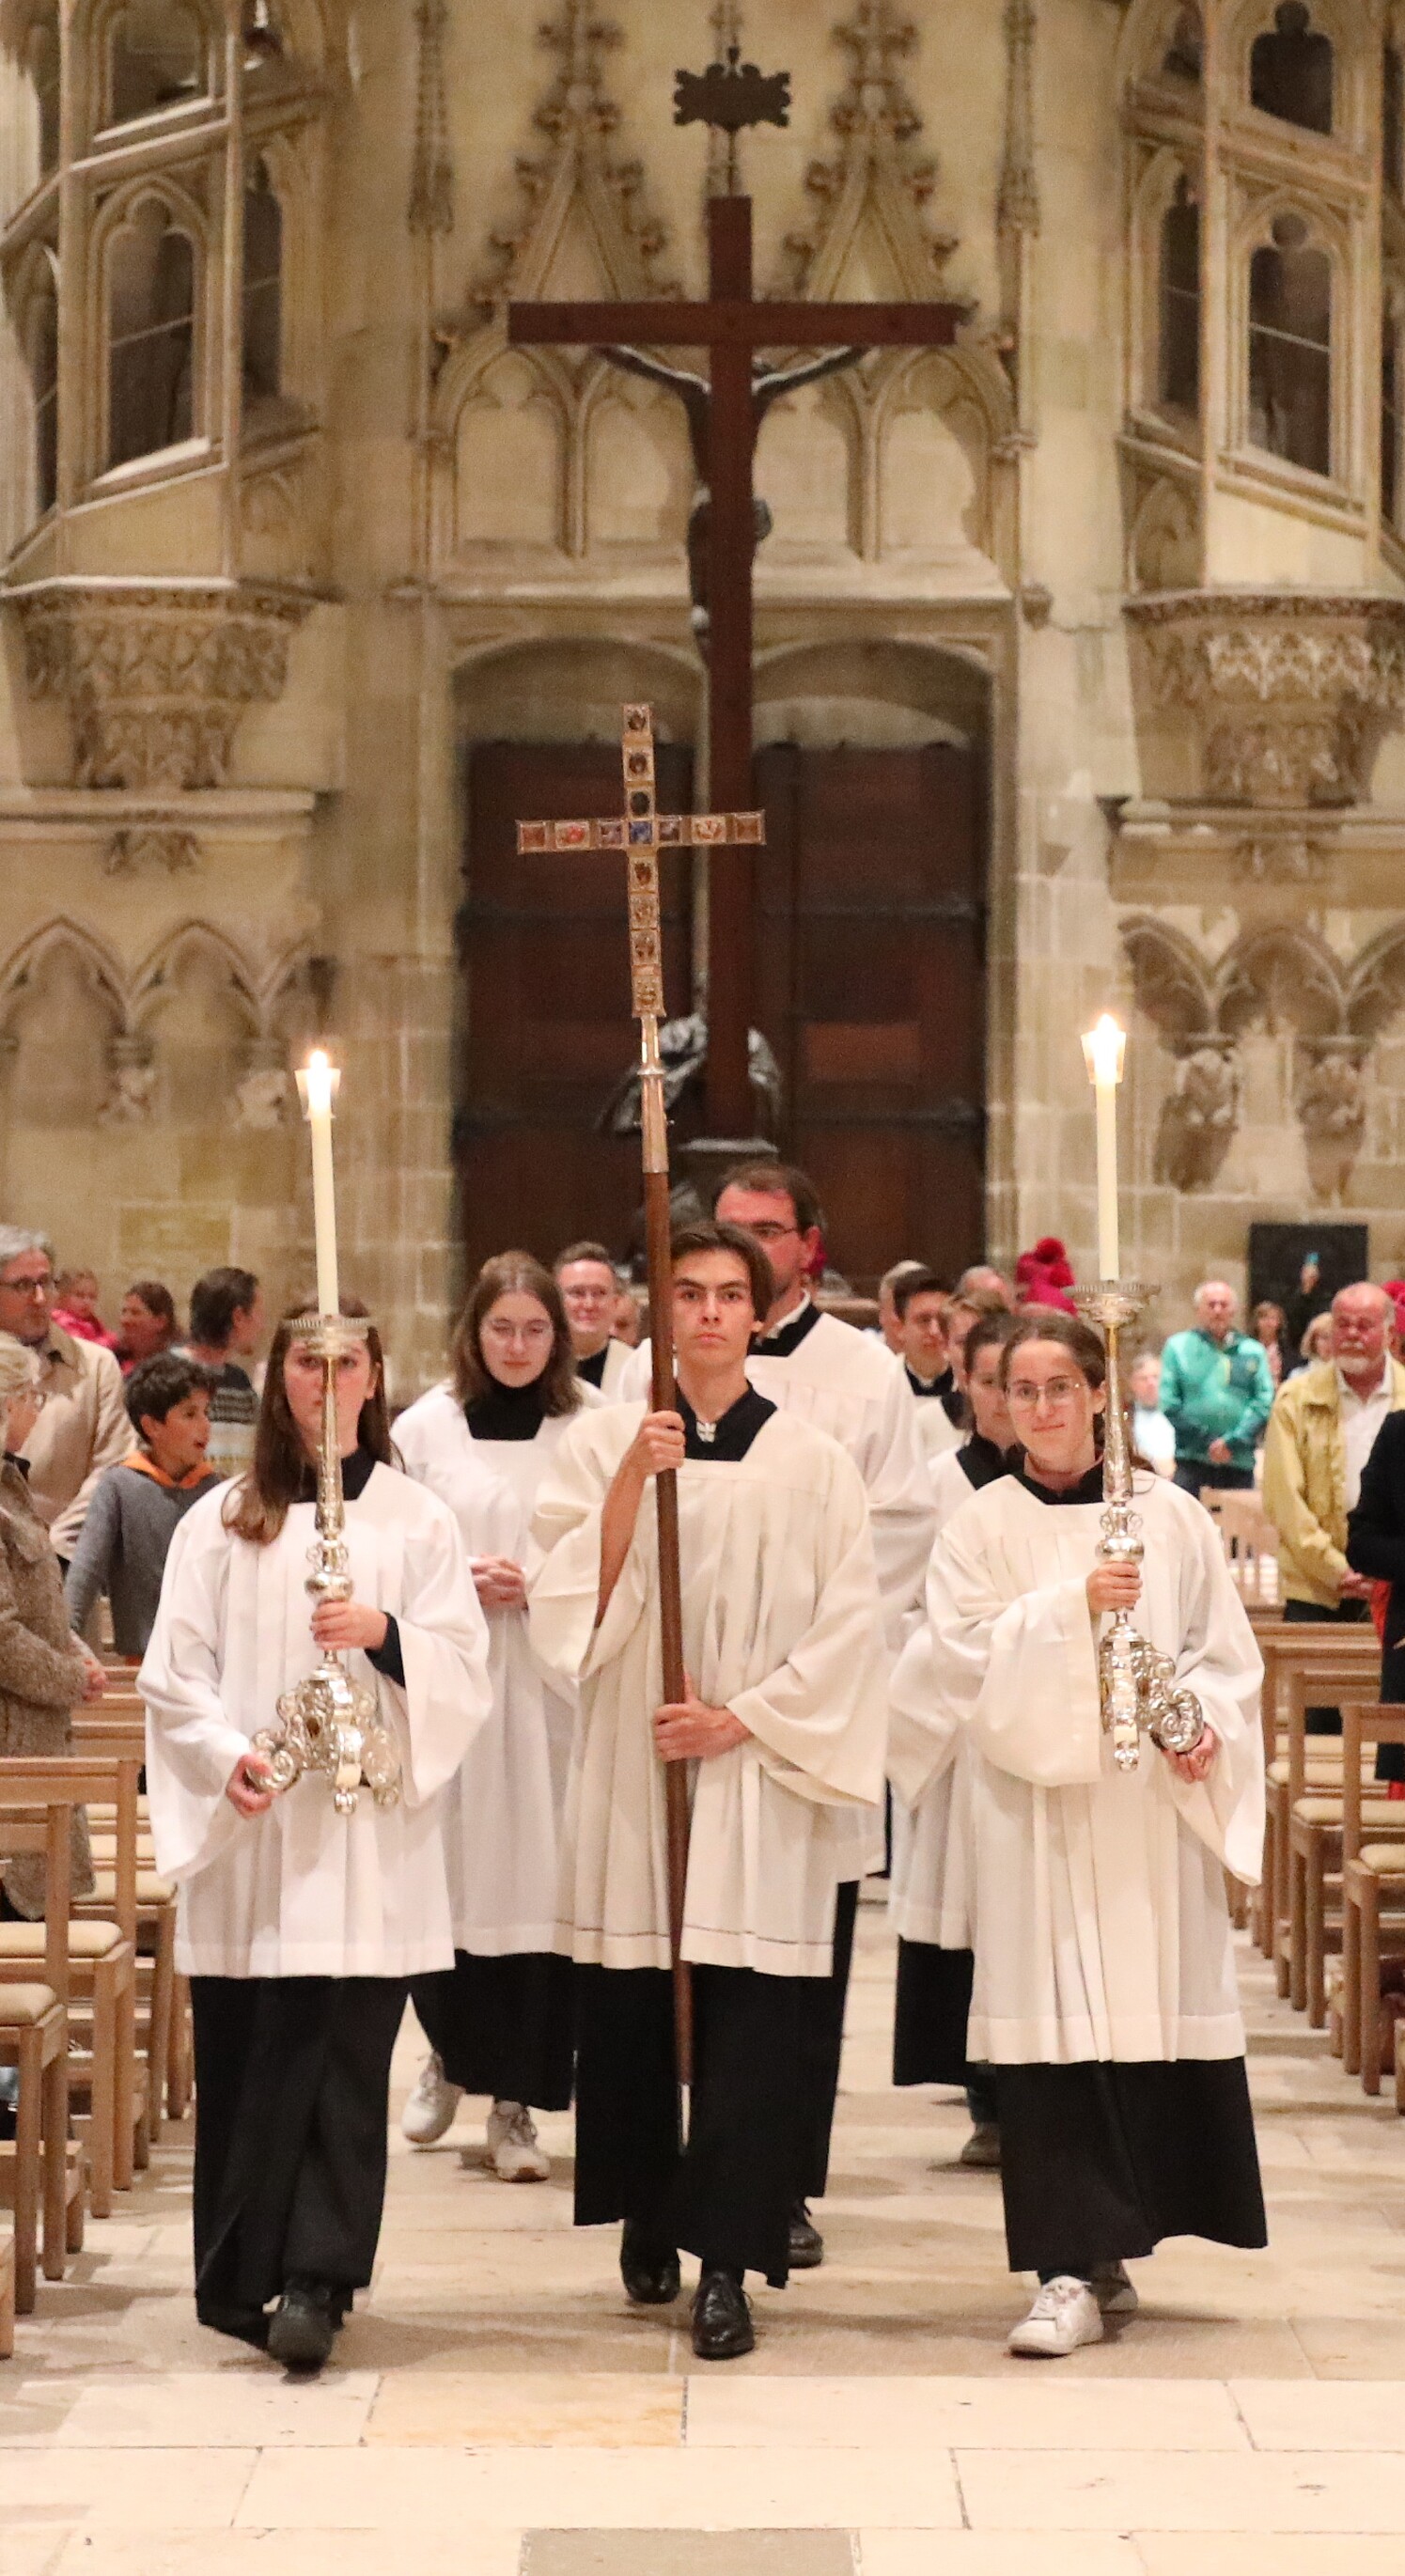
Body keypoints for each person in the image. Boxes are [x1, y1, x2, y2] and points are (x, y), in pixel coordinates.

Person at [529, 1222, 887, 2360]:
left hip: (756, 1769)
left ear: (760, 1312)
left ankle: (727, 2259)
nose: (711, 1313)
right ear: (660, 1311)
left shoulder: (813, 1461)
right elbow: (564, 1603)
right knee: (636, 2005)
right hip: (641, 1762)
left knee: (749, 2025)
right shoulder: (605, 1441)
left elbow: (851, 1627)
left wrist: (741, 1717)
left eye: (731, 1293)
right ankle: (646, 2206)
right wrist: (633, 1480)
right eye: (689, 1293)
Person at [891, 1309, 1266, 2356]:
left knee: (1141, 2014)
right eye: (1022, 1389)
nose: (1042, 1406)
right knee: (1050, 2029)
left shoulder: (1171, 1516)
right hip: (1034, 1813)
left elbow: (1221, 1653)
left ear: (1101, 1395)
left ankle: (1111, 2250)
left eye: (1061, 1386)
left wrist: (1201, 1721)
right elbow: (956, 1662)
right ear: (998, 1403)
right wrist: (1071, 1606)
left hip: (1144, 1814)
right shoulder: (979, 1525)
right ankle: (1063, 2266)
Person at [139, 1303, 492, 2370]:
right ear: (279, 1377)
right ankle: (240, 2272)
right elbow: (173, 1670)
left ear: (374, 1377)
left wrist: (384, 1633)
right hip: (255, 1830)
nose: (327, 1380)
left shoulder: (415, 1520)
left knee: (343, 2053)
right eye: (308, 1360)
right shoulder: (222, 1518)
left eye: (347, 1362)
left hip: (362, 1840)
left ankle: (319, 2277)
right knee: (250, 2052)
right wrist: (222, 1756)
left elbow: (465, 1668)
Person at [397, 1253, 593, 2178]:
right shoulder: (424, 1428)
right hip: (454, 1682)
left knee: (538, 1891)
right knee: (448, 1879)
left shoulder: (591, 1426)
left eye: (535, 1329)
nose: (517, 1346)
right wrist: (453, 1584)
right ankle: (448, 2054)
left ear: (559, 1336)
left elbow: (618, 1550)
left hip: (552, 1688)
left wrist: (541, 1583)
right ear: (473, 1333)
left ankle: (516, 2104)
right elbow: (392, 1546)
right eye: (501, 1327)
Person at [891, 1309, 1018, 2168]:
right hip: (958, 1730)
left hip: (1044, 1728)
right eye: (991, 1380)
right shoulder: (936, 1483)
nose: (1006, 1399)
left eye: (1023, 1382)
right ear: (964, 1383)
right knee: (967, 1922)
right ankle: (986, 2101)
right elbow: (898, 1604)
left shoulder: (1077, 1486)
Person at [1264, 1284, 1405, 1733]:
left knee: (1392, 1725)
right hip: (1317, 1589)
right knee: (1318, 1726)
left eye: (1365, 1325)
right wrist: (1336, 1570)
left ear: (1390, 1332)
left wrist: (1385, 1566)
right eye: (1343, 1324)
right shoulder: (1296, 1398)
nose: (1352, 1335)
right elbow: (1284, 1498)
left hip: (1398, 1586)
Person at [0, 1331, 102, 1928]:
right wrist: (70, 1676)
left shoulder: (12, 1488)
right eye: (32, 1399)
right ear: (7, 1402)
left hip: (32, 1735)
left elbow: (38, 1603)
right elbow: (2, 1638)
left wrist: (76, 1650)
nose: (37, 1412)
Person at [63, 1353, 224, 1660]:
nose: (205, 1425)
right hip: (142, 1662)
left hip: (211, 1661)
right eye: (190, 1414)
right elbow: (86, 1569)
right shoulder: (119, 1486)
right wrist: (65, 1637)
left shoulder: (216, 1490)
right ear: (152, 1426)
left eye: (206, 1412)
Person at [0, 1228, 129, 1558]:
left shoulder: (96, 1366)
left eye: (46, 1283)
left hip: (66, 1556)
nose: (40, 1298)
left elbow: (112, 1465)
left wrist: (52, 1546)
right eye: (23, 1285)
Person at [1159, 1281, 1273, 1494]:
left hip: (1238, 1460)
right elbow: (1169, 1403)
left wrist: (1232, 1442)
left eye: (1224, 1304)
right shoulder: (1178, 1347)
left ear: (1234, 1310)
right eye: (1211, 1305)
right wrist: (1208, 1443)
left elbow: (1264, 1402)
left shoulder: (1253, 1351)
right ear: (1198, 1310)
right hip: (1192, 1459)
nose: (1218, 1311)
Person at [183, 1267, 264, 1479]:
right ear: (239, 1317)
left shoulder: (240, 1383)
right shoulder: (167, 1377)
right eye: (258, 1313)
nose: (261, 1324)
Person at [894, 1268, 962, 1467]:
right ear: (900, 1328)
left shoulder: (970, 1390)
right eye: (924, 1321)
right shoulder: (880, 1384)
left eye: (942, 1321)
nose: (934, 1331)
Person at [554, 1241, 633, 1397]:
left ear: (615, 1303)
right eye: (577, 1293)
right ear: (555, 1302)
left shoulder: (636, 1368)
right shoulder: (537, 1363)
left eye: (599, 1293)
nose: (589, 1305)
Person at [1129, 1350, 1177, 1475]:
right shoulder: (1125, 1419)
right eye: (1144, 1379)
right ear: (1133, 1383)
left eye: (1156, 1377)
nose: (1151, 1383)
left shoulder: (1179, 1415)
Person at [116, 1280, 178, 1375]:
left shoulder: (175, 1367)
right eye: (124, 1312)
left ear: (160, 1321)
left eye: (135, 1313)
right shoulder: (113, 1358)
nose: (124, 1320)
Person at [52, 1269, 117, 1351]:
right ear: (62, 1297)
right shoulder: (62, 1322)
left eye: (92, 1297)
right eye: (79, 1295)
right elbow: (83, 1348)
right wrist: (110, 1341)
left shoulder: (92, 1321)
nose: (87, 1302)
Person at [874, 1260, 927, 1355]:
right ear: (882, 1314)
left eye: (924, 1317)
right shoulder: (862, 1353)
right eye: (899, 1310)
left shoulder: (949, 1355)